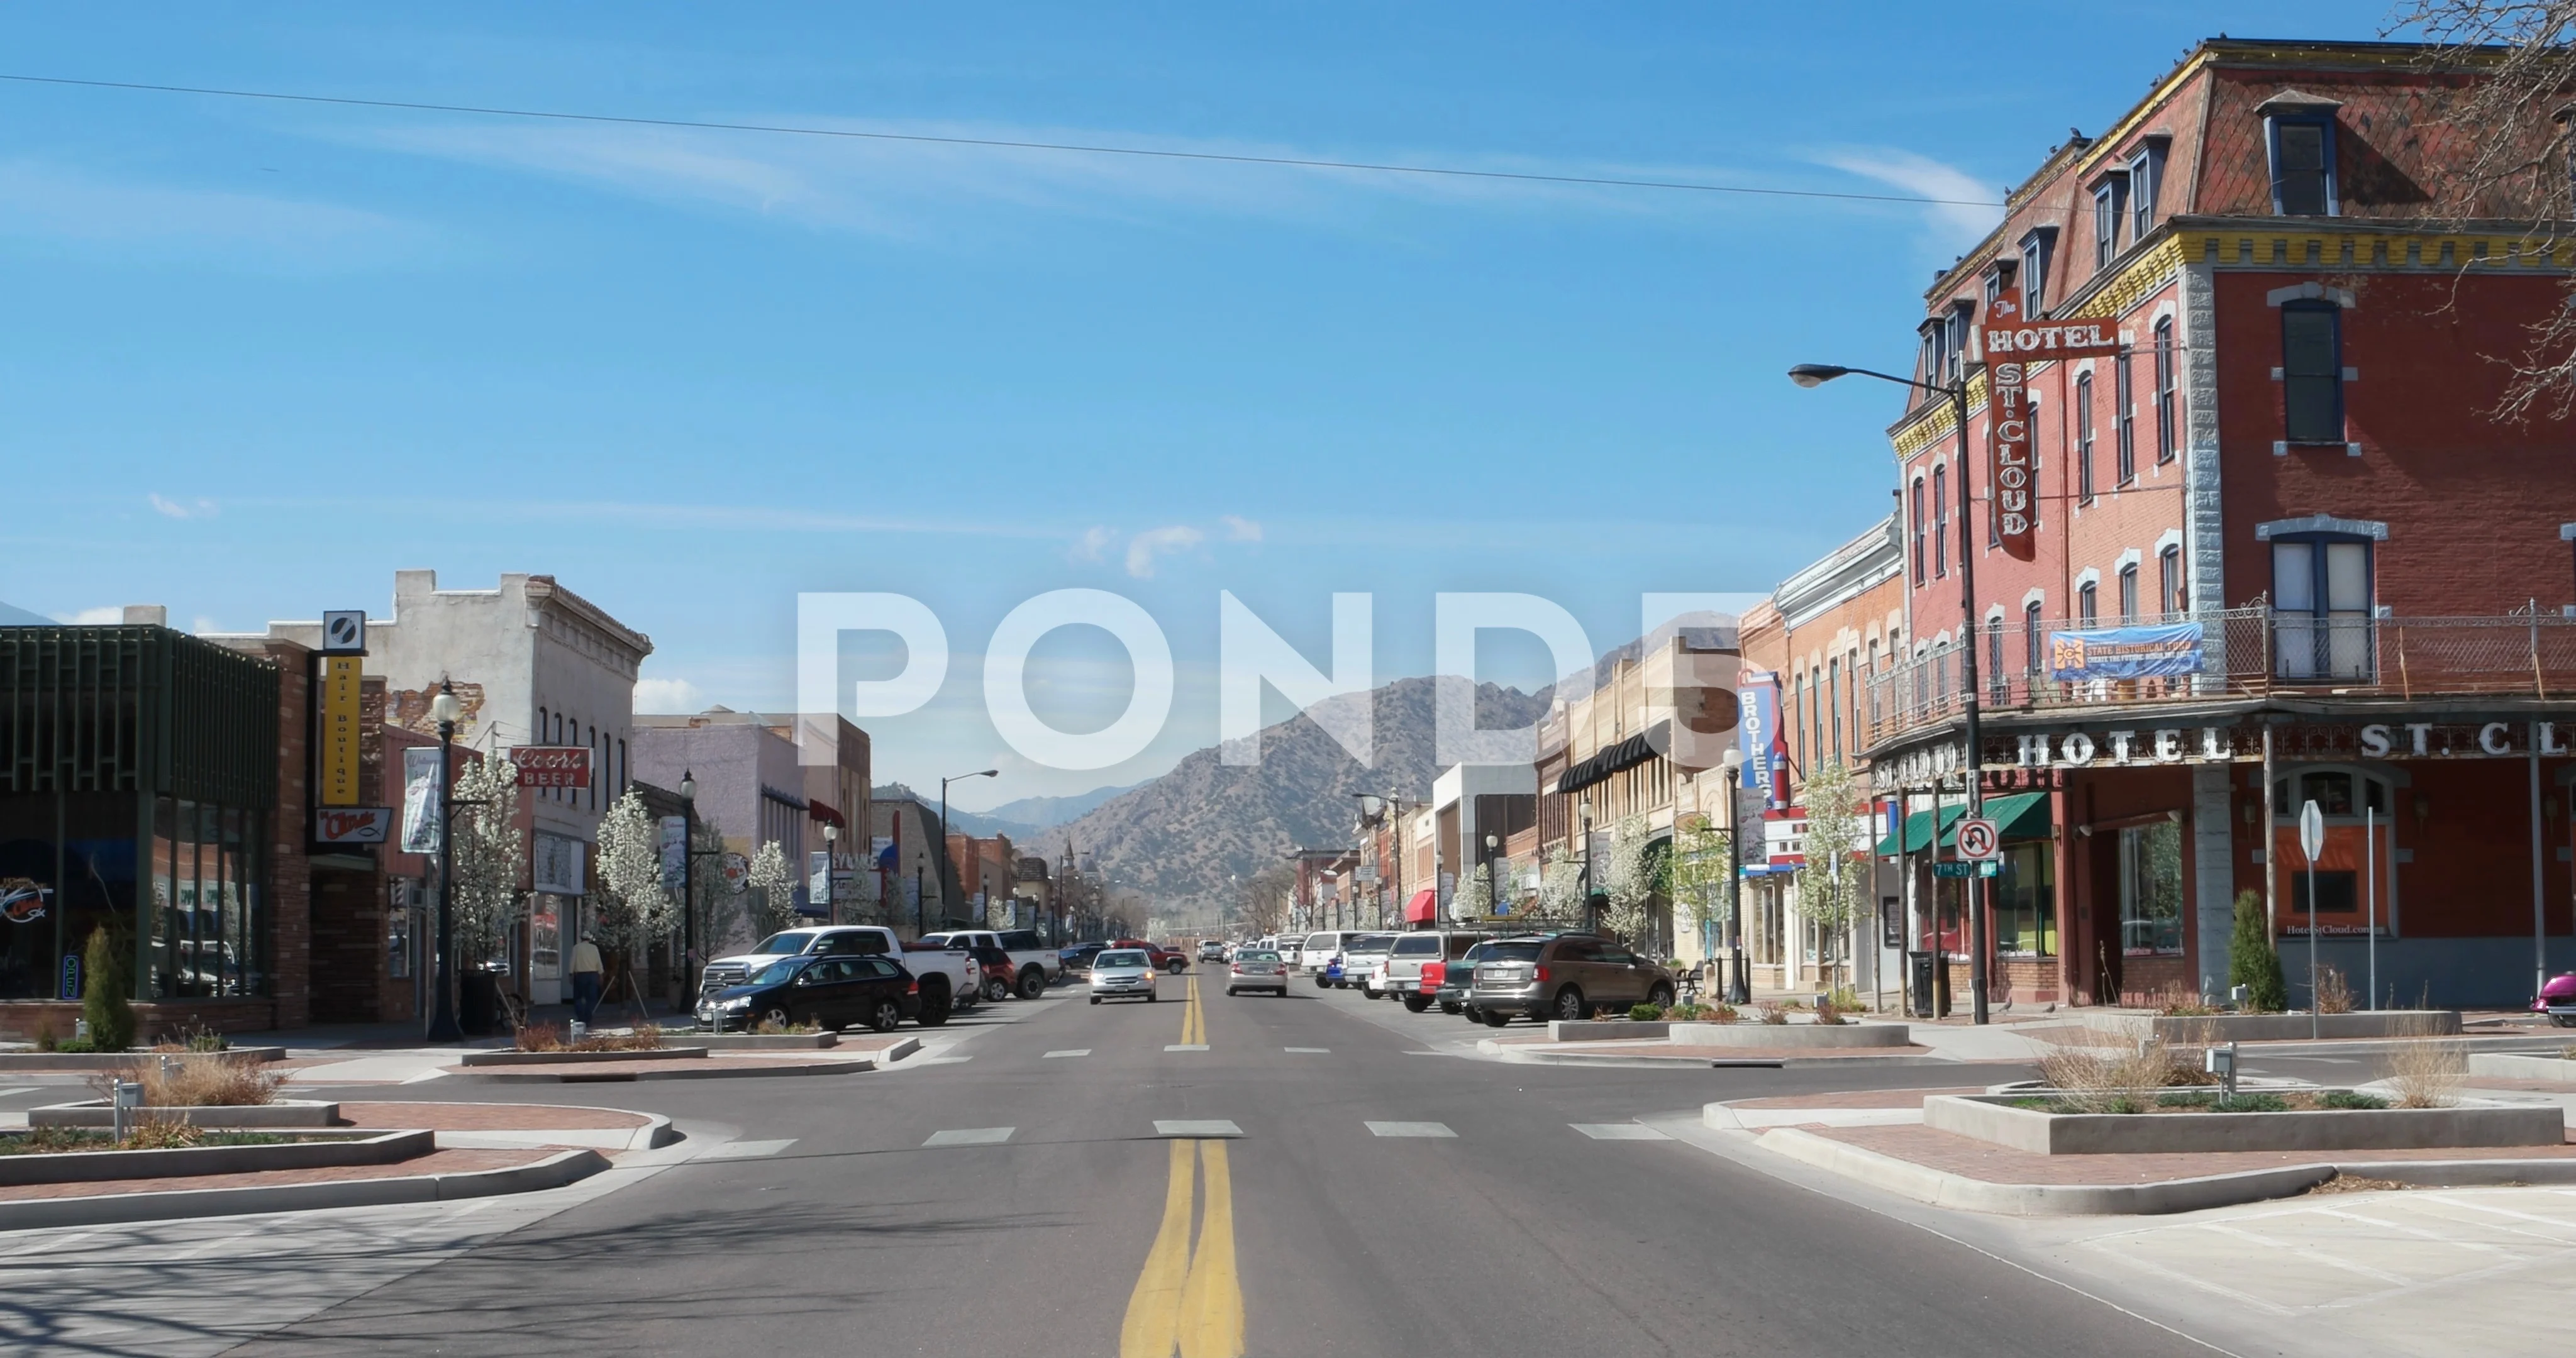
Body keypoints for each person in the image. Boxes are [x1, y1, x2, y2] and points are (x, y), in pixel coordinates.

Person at [569, 931, 604, 1027]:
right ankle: (588, 1018)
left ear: (582, 938)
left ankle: (581, 1018)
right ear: (589, 939)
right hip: (593, 975)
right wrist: (601, 975)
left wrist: (571, 974)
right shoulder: (594, 948)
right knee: (591, 998)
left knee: (578, 998)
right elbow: (598, 962)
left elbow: (573, 961)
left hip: (580, 975)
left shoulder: (577, 948)